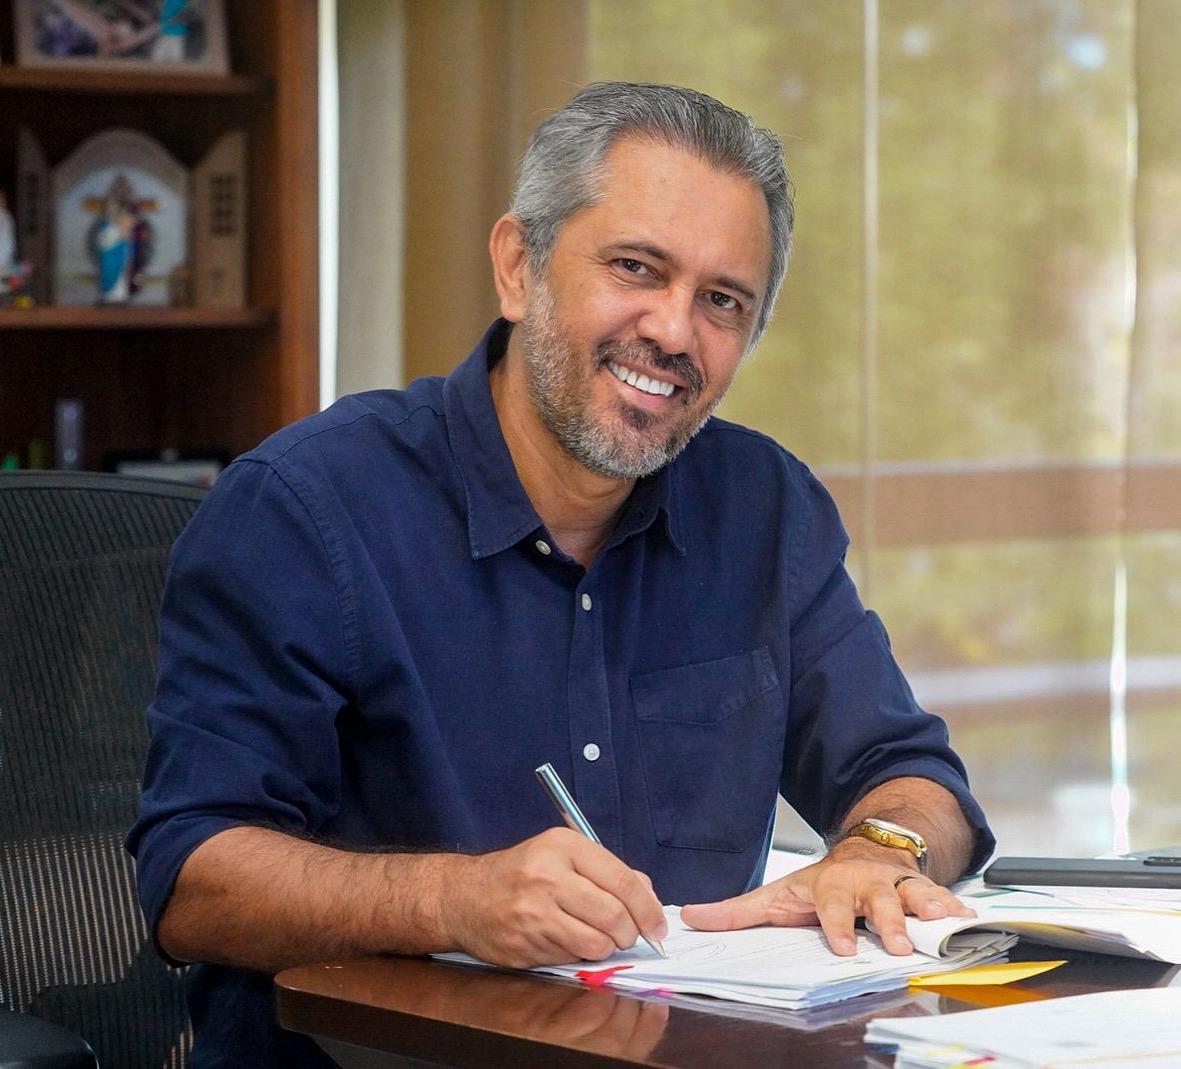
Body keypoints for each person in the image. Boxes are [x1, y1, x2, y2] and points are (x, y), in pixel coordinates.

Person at [129, 81, 994, 1067]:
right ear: (518, 266)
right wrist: (452, 899)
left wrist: (876, 851)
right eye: (636, 267)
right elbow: (190, 881)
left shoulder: (765, 507)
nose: (674, 332)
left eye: (722, 301)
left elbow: (912, 776)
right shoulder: (304, 506)